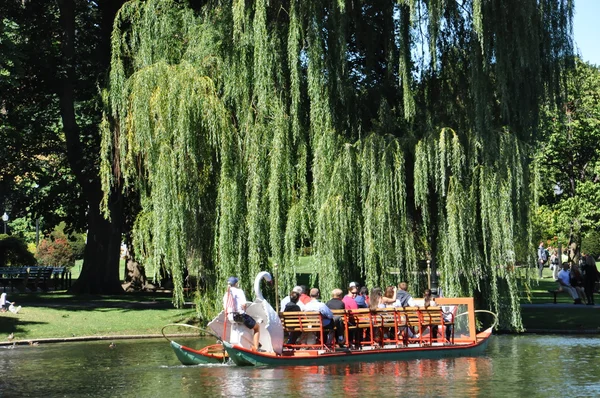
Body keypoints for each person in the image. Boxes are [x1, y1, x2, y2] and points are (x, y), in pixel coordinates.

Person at [223, 276, 261, 350]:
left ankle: (239, 345)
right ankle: (256, 348)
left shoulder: (226, 294)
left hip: (230, 318)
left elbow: (225, 309)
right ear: (236, 284)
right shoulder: (239, 291)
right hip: (240, 316)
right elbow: (244, 305)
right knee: (257, 327)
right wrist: (244, 310)